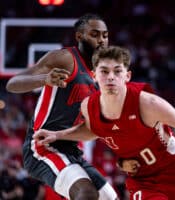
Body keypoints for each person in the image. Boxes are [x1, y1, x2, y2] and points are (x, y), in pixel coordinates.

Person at [34, 46, 175, 200]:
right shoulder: (88, 107)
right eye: (104, 71)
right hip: (143, 181)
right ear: (94, 76)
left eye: (117, 71)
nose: (111, 77)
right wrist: (58, 135)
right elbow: (92, 129)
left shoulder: (148, 103)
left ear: (127, 76)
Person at [6, 14, 118, 200]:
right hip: (42, 147)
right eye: (95, 34)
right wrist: (44, 79)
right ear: (79, 36)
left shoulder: (102, 75)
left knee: (108, 197)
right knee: (86, 193)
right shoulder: (65, 59)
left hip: (72, 149)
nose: (101, 40)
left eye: (105, 35)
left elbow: (92, 129)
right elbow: (13, 83)